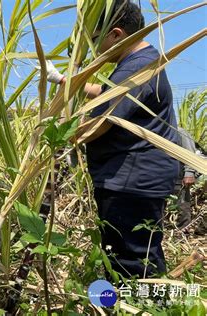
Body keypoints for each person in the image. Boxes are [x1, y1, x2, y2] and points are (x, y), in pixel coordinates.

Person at [44, 0, 179, 277]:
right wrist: (63, 81)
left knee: (130, 262)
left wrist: (57, 132)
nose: (93, 48)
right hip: (138, 178)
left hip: (130, 182)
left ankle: (136, 305)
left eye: (94, 39)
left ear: (116, 34)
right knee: (143, 253)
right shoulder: (141, 62)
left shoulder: (136, 68)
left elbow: (96, 126)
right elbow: (108, 92)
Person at [174, 128, 196, 230]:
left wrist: (189, 173)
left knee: (182, 205)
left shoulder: (179, 131)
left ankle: (183, 230)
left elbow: (189, 152)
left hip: (179, 175)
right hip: (161, 175)